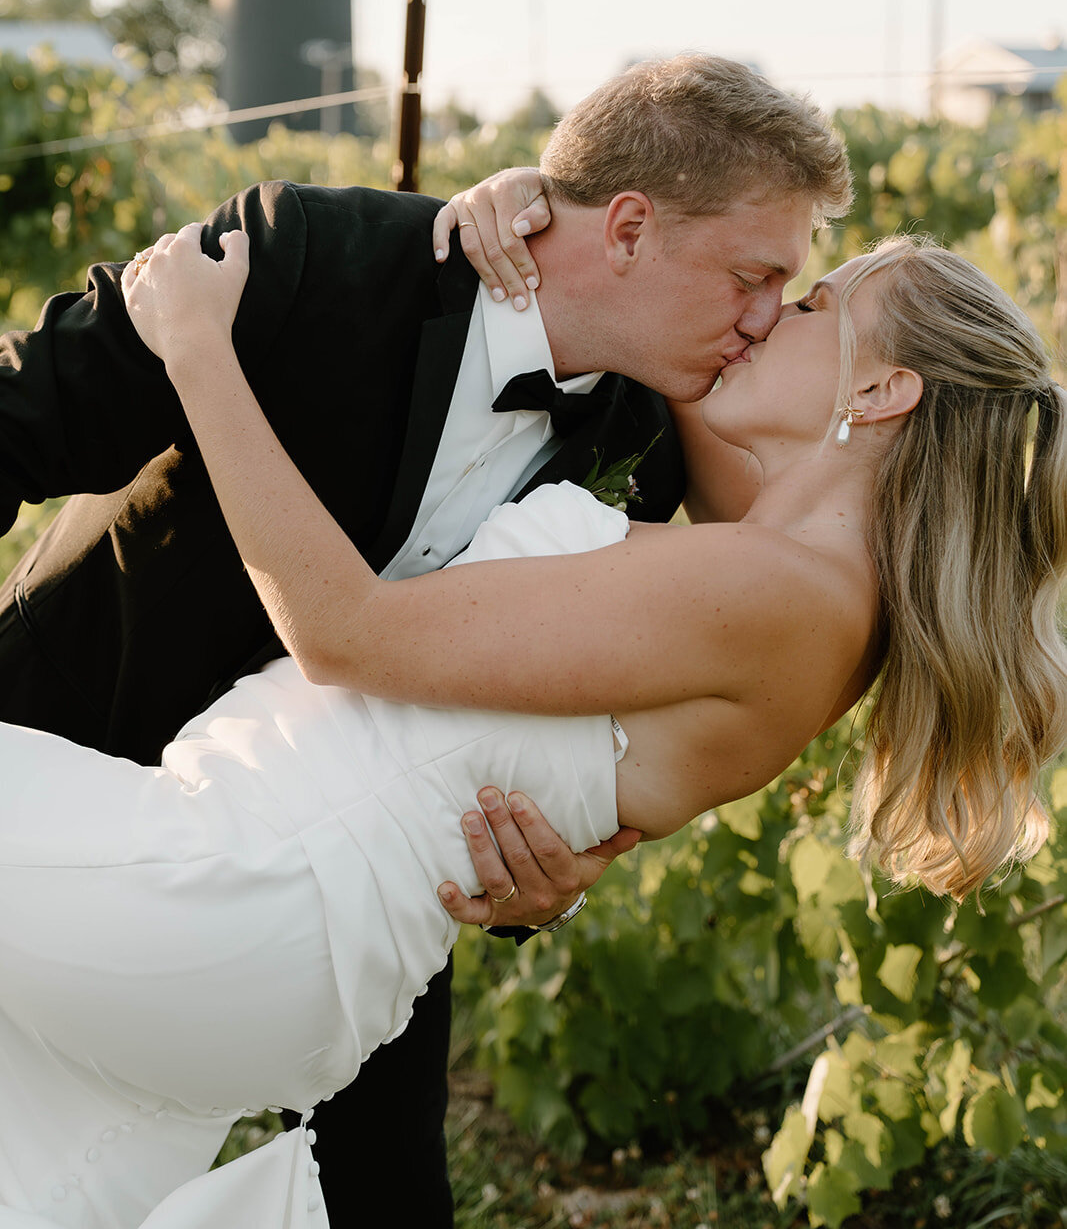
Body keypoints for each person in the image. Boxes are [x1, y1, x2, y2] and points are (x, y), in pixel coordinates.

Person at [1, 222, 1064, 1229]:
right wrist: (531, 211)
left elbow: (341, 634)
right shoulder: (798, 576)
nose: (766, 314)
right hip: (287, 936)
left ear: (880, 392)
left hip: (238, 878)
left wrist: (198, 350)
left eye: (812, 306)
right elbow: (645, 332)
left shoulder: (781, 593)